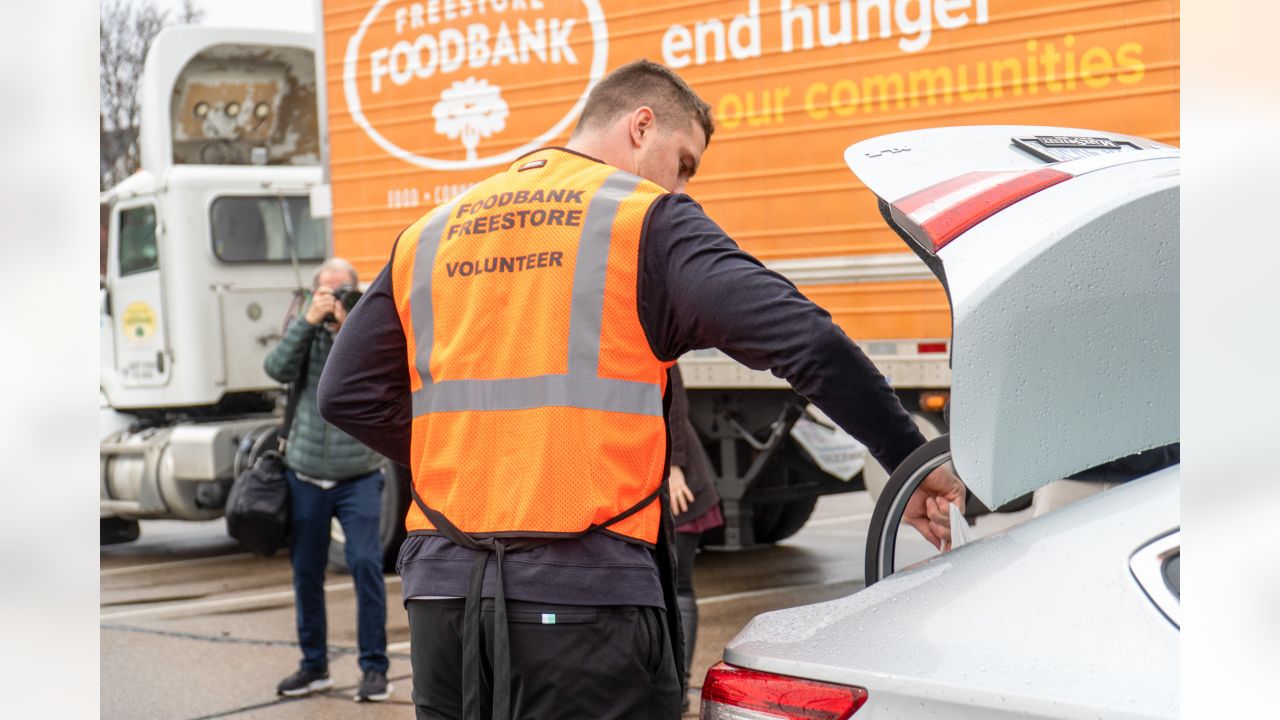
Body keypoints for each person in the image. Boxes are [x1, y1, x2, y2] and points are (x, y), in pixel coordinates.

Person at [317, 59, 965, 720]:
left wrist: (484, 456)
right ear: (640, 125)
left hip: (443, 599)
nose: (681, 186)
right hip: (586, 600)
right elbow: (808, 342)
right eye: (683, 163)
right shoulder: (642, 220)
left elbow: (345, 394)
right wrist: (909, 463)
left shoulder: (431, 232)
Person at [264, 258, 391, 702]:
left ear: (355, 293)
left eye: (341, 291)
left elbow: (379, 367)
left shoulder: (364, 326)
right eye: (325, 291)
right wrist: (308, 321)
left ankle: (375, 669)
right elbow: (276, 369)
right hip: (304, 473)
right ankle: (313, 666)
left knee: (364, 564)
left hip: (357, 473)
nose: (332, 297)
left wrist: (344, 326)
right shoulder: (304, 324)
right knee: (305, 573)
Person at [666, 364, 721, 714]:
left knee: (679, 587)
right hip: (646, 474)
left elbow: (674, 402)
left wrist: (675, 467)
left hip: (676, 481)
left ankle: (680, 687)